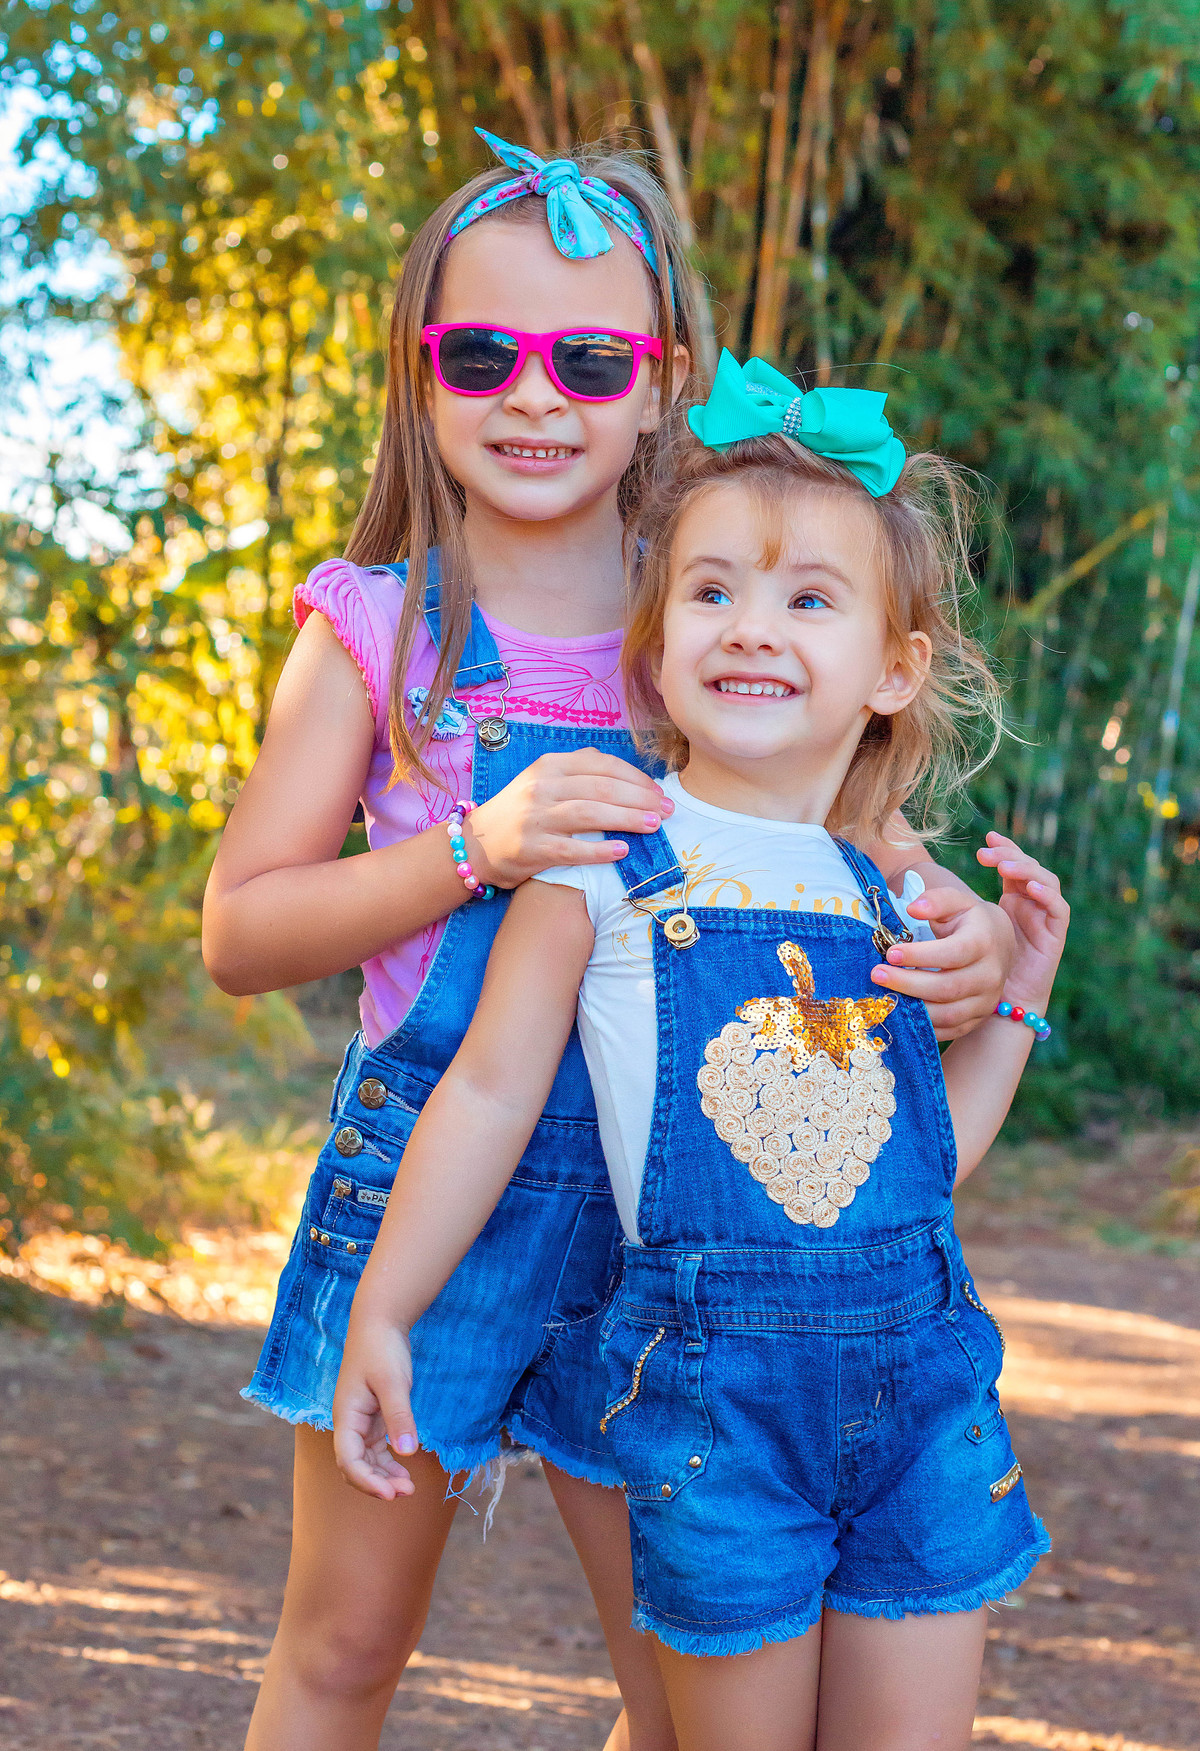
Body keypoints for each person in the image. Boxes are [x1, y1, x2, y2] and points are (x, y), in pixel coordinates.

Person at [203, 120, 1012, 1749]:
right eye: (483, 351)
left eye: (586, 358)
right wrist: (473, 851)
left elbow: (874, 852)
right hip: (446, 1173)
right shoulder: (377, 625)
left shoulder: (715, 605)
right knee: (349, 1640)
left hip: (684, 1224)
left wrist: (976, 947)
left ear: (660, 382)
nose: (534, 396)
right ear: (422, 377)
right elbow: (242, 928)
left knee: (683, 1674)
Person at [330, 353, 1067, 1751]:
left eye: (808, 599)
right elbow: (487, 1094)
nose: (751, 629)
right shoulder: (603, 872)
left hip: (925, 1399)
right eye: (713, 591)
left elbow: (914, 1167)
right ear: (656, 647)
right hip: (717, 1411)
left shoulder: (892, 893)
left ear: (893, 669)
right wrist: (384, 1306)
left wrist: (1021, 1001)